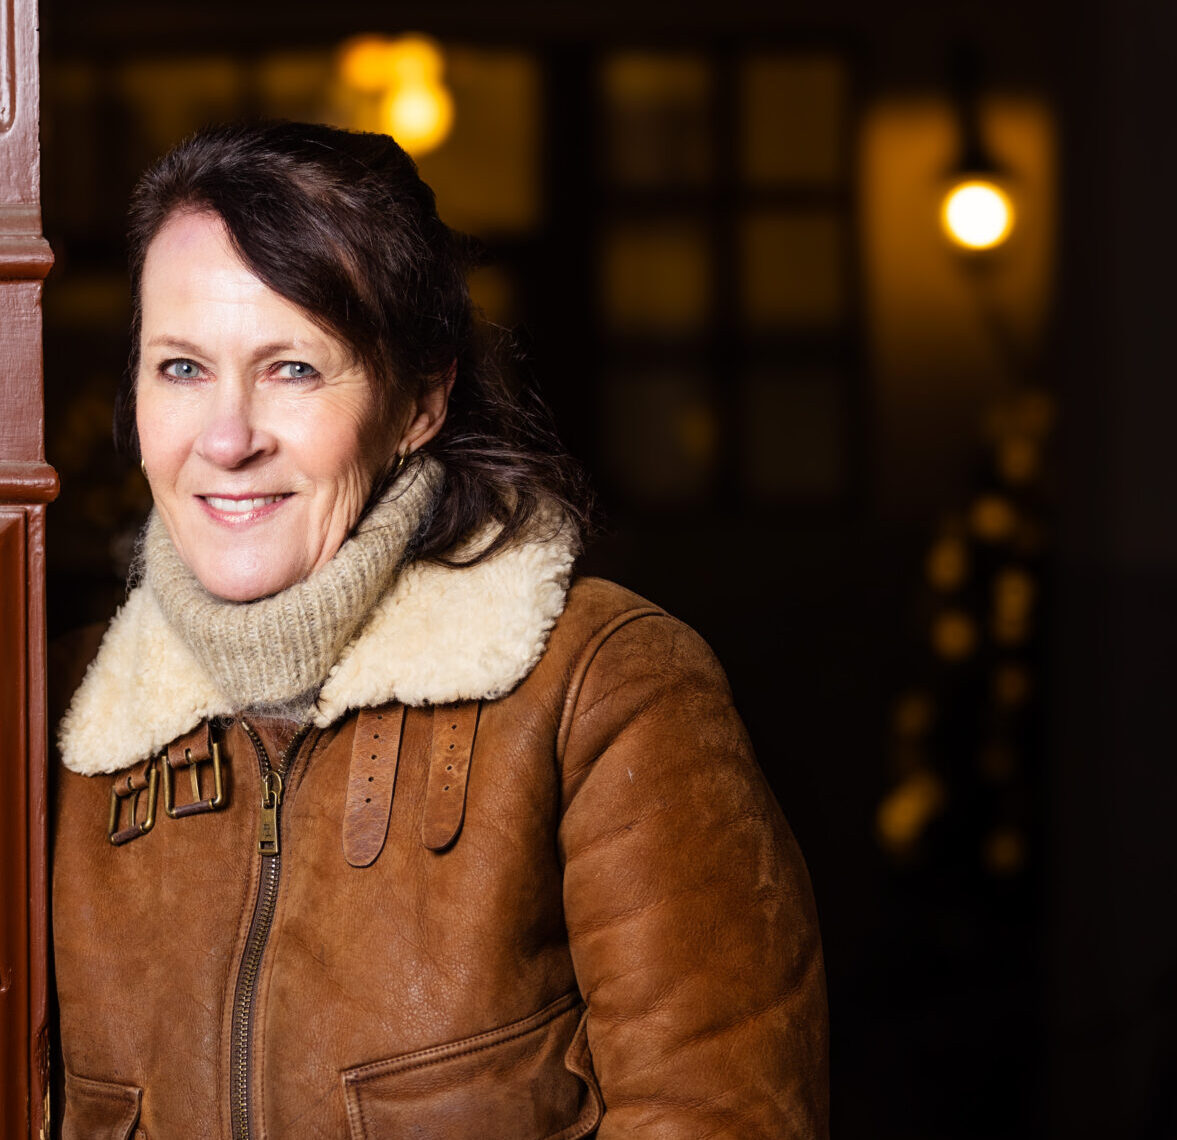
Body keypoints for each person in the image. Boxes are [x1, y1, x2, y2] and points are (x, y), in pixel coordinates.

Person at [47, 120, 829, 1140]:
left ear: (419, 401)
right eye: (182, 368)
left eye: (293, 368)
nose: (227, 438)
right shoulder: (56, 722)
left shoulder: (604, 690)